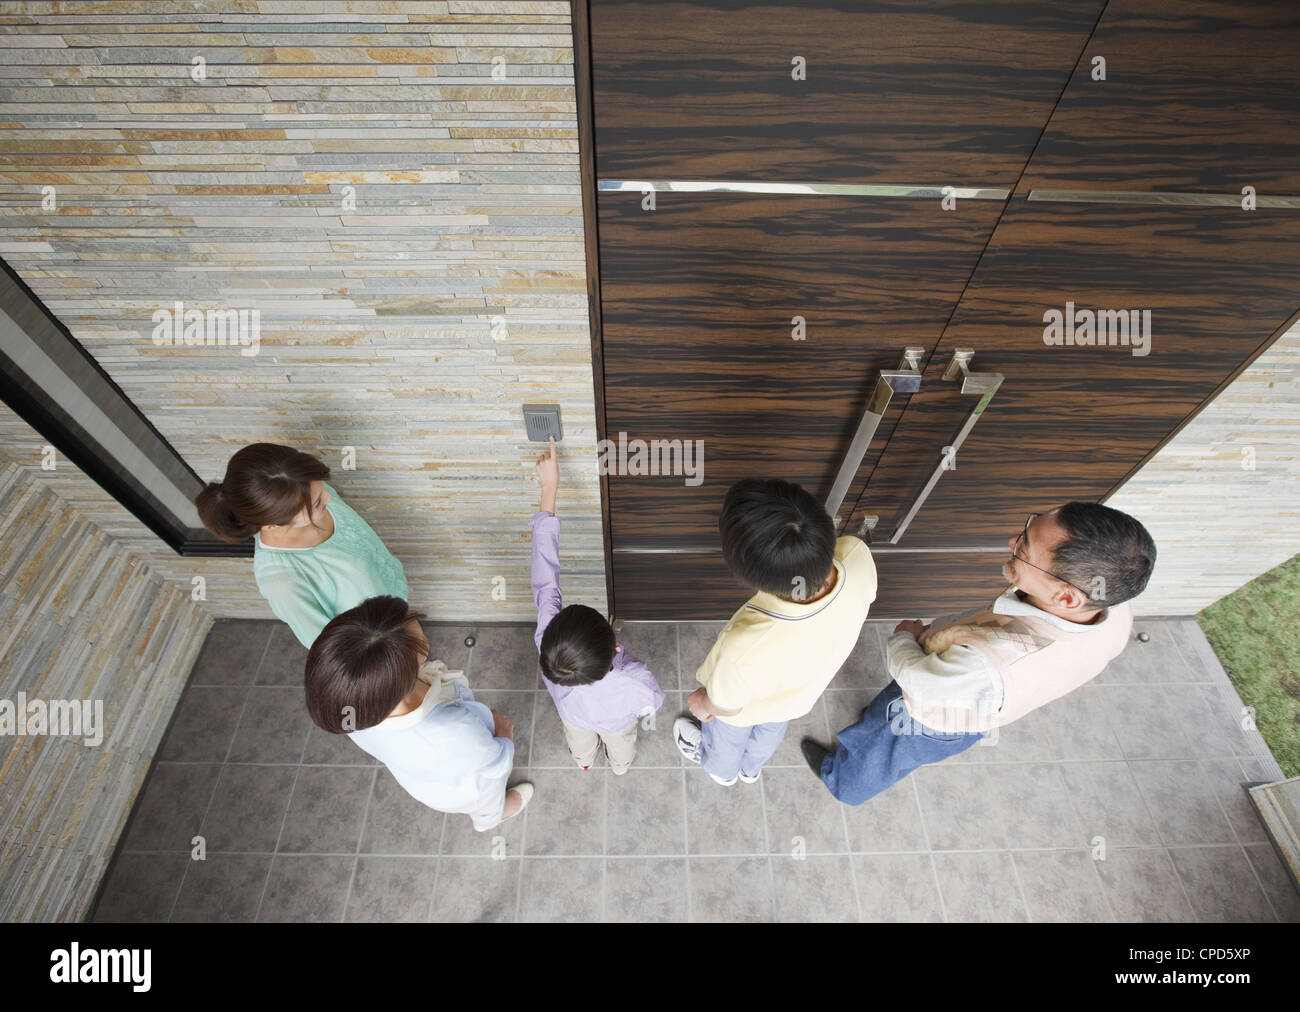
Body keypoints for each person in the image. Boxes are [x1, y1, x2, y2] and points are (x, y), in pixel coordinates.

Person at [804, 503, 1156, 805]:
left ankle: (842, 781)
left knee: (882, 754)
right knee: (882, 722)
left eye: (1024, 548)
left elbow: (917, 681)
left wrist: (902, 641)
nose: (1012, 543)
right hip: (963, 693)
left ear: (1065, 597)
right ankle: (874, 726)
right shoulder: (1115, 612)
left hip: (931, 719)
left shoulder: (991, 663)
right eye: (1028, 528)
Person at [673, 478, 877, 785]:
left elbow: (726, 706)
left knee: (727, 736)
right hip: (794, 701)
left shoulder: (746, 644)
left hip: (741, 709)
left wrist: (704, 704)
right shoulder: (857, 556)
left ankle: (722, 771)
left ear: (745, 573)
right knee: (769, 731)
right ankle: (751, 769)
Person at [305, 595, 533, 831]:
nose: (426, 644)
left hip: (424, 778)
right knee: (488, 800)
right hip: (466, 789)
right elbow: (493, 763)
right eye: (421, 641)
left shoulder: (351, 709)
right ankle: (492, 817)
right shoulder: (451, 731)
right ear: (398, 684)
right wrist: (504, 737)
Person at [532, 437, 664, 773]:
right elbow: (652, 703)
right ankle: (619, 766)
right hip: (616, 723)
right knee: (621, 746)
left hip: (573, 717)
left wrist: (550, 488)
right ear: (616, 647)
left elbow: (545, 578)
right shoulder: (633, 676)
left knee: (579, 741)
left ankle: (584, 762)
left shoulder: (546, 641)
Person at [196, 442, 408, 647]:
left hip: (394, 609)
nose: (328, 495)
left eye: (322, 486)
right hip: (378, 647)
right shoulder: (283, 582)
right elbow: (334, 650)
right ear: (270, 525)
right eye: (317, 503)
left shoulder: (309, 492)